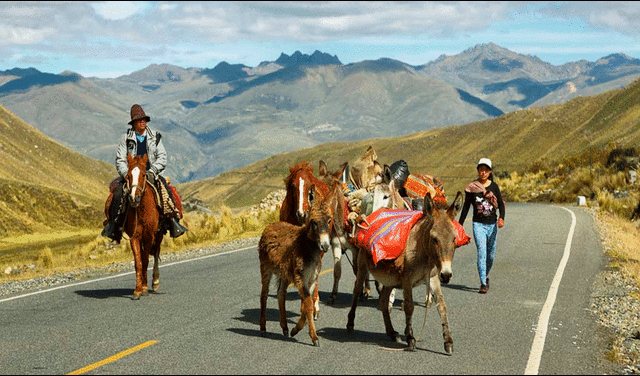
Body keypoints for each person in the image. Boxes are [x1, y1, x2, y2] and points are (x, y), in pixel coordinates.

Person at [101, 104, 187, 243]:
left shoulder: (155, 137)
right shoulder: (126, 139)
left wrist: (153, 171)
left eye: (144, 120)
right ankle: (114, 226)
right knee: (118, 193)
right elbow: (120, 159)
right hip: (132, 175)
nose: (142, 122)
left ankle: (173, 222)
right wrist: (126, 173)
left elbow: (162, 157)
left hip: (152, 173)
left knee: (165, 190)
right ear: (134, 123)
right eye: (139, 120)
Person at [458, 158, 505, 294]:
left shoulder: (494, 187)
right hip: (478, 224)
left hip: (492, 225)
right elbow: (466, 207)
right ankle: (483, 283)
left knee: (491, 255)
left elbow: (500, 204)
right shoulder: (471, 188)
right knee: (482, 253)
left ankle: (486, 275)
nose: (483, 172)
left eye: (486, 170)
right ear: (478, 170)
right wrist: (460, 225)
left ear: (489, 172)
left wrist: (501, 218)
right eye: (481, 170)